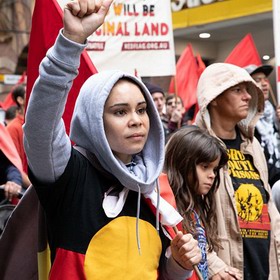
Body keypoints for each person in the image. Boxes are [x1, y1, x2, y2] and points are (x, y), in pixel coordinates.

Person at [23, 0, 201, 279]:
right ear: (93, 120)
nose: (136, 120)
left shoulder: (155, 187)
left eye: (142, 110)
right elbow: (39, 125)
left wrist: (179, 264)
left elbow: (158, 273)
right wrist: (71, 41)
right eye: (120, 111)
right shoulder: (69, 175)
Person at [195, 62, 280, 279]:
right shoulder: (193, 148)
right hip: (226, 271)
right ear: (213, 98)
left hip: (265, 268)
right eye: (237, 90)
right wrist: (213, 266)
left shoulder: (253, 146)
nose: (248, 97)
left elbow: (269, 208)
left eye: (247, 90)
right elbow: (184, 218)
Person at [163, 126, 241, 280]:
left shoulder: (193, 208)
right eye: (205, 167)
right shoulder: (166, 208)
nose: (212, 175)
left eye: (214, 169)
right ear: (182, 163)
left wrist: (219, 271)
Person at [244, 64, 280, 186]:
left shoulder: (274, 113)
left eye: (265, 79)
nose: (264, 84)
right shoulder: (243, 118)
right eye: (257, 80)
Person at [6, 84, 30, 188]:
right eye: (28, 91)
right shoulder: (13, 128)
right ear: (20, 100)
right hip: (23, 190)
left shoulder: (34, 125)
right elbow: (13, 165)